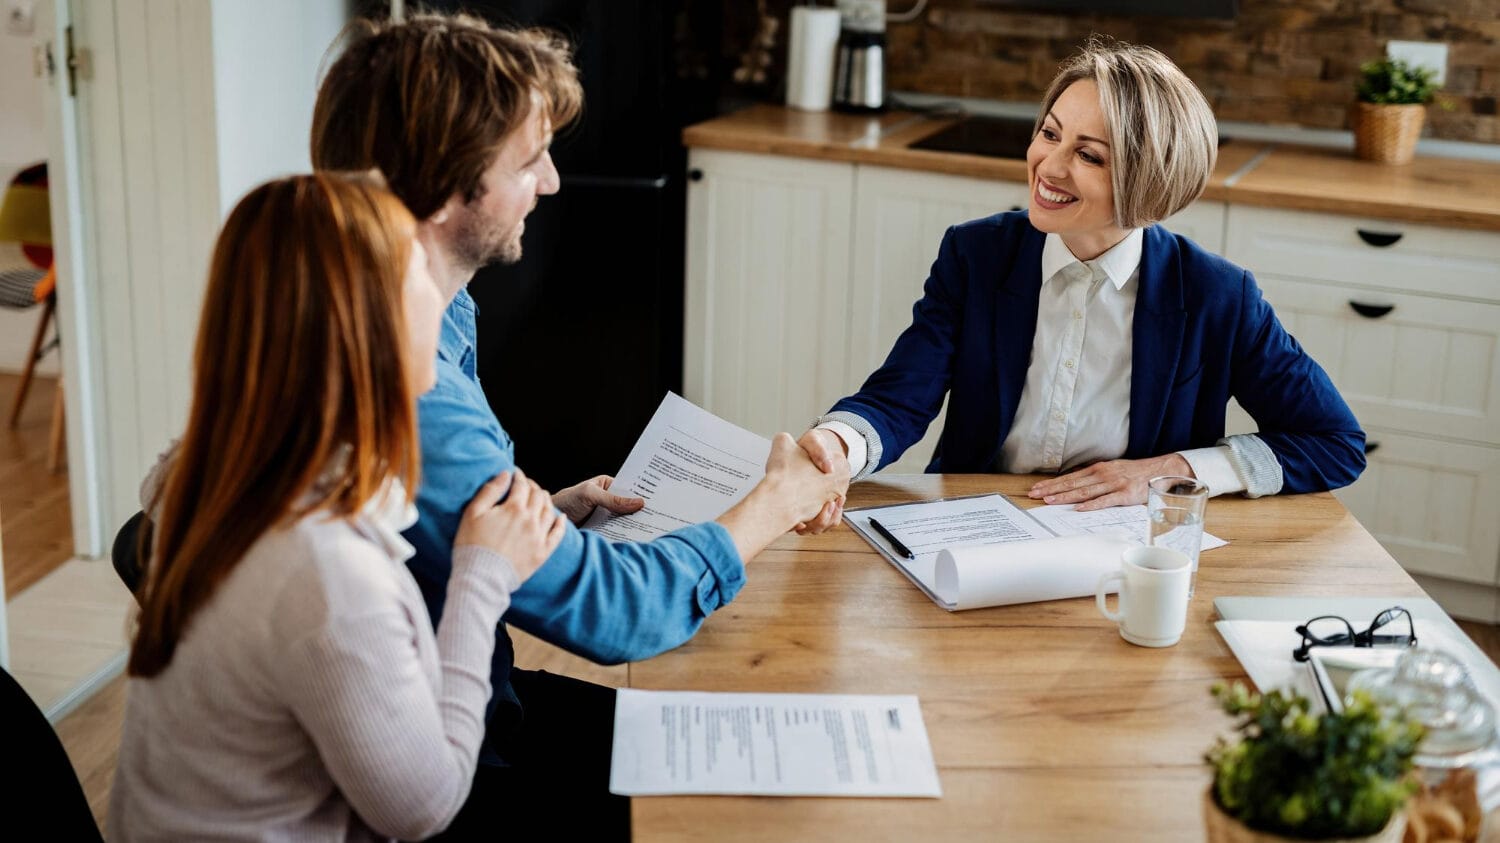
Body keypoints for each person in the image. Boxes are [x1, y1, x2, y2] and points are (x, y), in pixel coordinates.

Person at [308, 14, 846, 839]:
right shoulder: (413, 392)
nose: (553, 182)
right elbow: (617, 614)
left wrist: (543, 517)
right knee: (761, 799)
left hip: (464, 693)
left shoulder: (432, 313)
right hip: (445, 758)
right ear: (446, 189)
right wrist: (775, 501)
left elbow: (430, 528)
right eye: (530, 161)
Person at [108, 173, 568, 841]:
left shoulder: (217, 471)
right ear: (368, 328)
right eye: (420, 275)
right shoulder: (323, 569)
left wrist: (531, 520)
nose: (441, 295)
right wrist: (482, 575)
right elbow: (423, 806)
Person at [796, 37, 1364, 532]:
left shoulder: (1217, 294)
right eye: (1050, 133)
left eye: (1089, 155)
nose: (1049, 166)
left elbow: (1334, 443)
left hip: (1127, 541)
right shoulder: (976, 255)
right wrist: (836, 447)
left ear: (1150, 182)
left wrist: (1176, 470)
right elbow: (899, 398)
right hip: (972, 522)